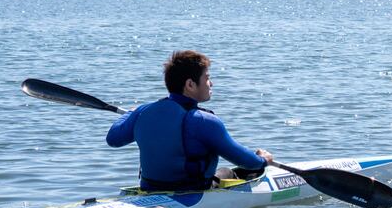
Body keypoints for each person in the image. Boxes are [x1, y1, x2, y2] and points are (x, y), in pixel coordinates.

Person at [105, 49, 273, 193]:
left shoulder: (144, 111)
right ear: (190, 84)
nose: (211, 83)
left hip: (150, 190)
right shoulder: (205, 121)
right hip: (192, 192)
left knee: (223, 171)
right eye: (207, 78)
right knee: (228, 172)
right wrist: (262, 160)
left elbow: (113, 139)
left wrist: (131, 113)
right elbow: (248, 162)